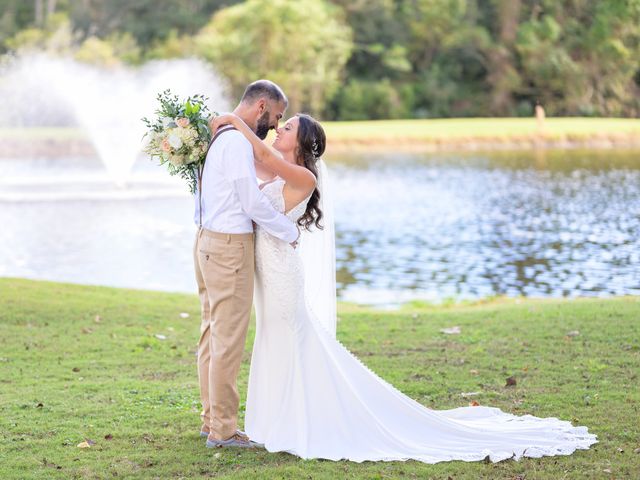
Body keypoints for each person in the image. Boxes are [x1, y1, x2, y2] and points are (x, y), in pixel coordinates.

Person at [208, 111, 597, 463]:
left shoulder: (302, 176)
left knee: (288, 342)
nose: (278, 130)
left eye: (287, 127)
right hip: (268, 270)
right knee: (273, 342)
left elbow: (263, 157)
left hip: (281, 275)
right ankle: (277, 421)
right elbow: (249, 169)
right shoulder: (278, 174)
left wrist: (235, 122)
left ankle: (297, 422)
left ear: (302, 142)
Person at [194, 80, 299, 449]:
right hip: (228, 248)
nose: (274, 126)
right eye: (275, 117)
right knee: (228, 341)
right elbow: (251, 204)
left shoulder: (223, 137)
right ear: (260, 108)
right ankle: (223, 431)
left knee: (211, 334)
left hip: (207, 240)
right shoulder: (236, 142)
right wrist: (288, 231)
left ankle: (212, 421)